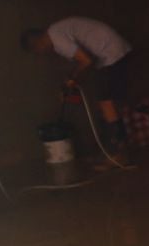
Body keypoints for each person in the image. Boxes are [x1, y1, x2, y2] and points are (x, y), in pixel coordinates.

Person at [21, 17, 134, 153]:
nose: (41, 54)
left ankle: (119, 153)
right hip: (110, 51)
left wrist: (72, 80)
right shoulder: (56, 32)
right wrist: (71, 81)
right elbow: (82, 62)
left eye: (37, 52)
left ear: (38, 43)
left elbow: (85, 61)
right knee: (105, 103)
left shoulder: (57, 39)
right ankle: (114, 150)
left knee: (106, 102)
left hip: (111, 52)